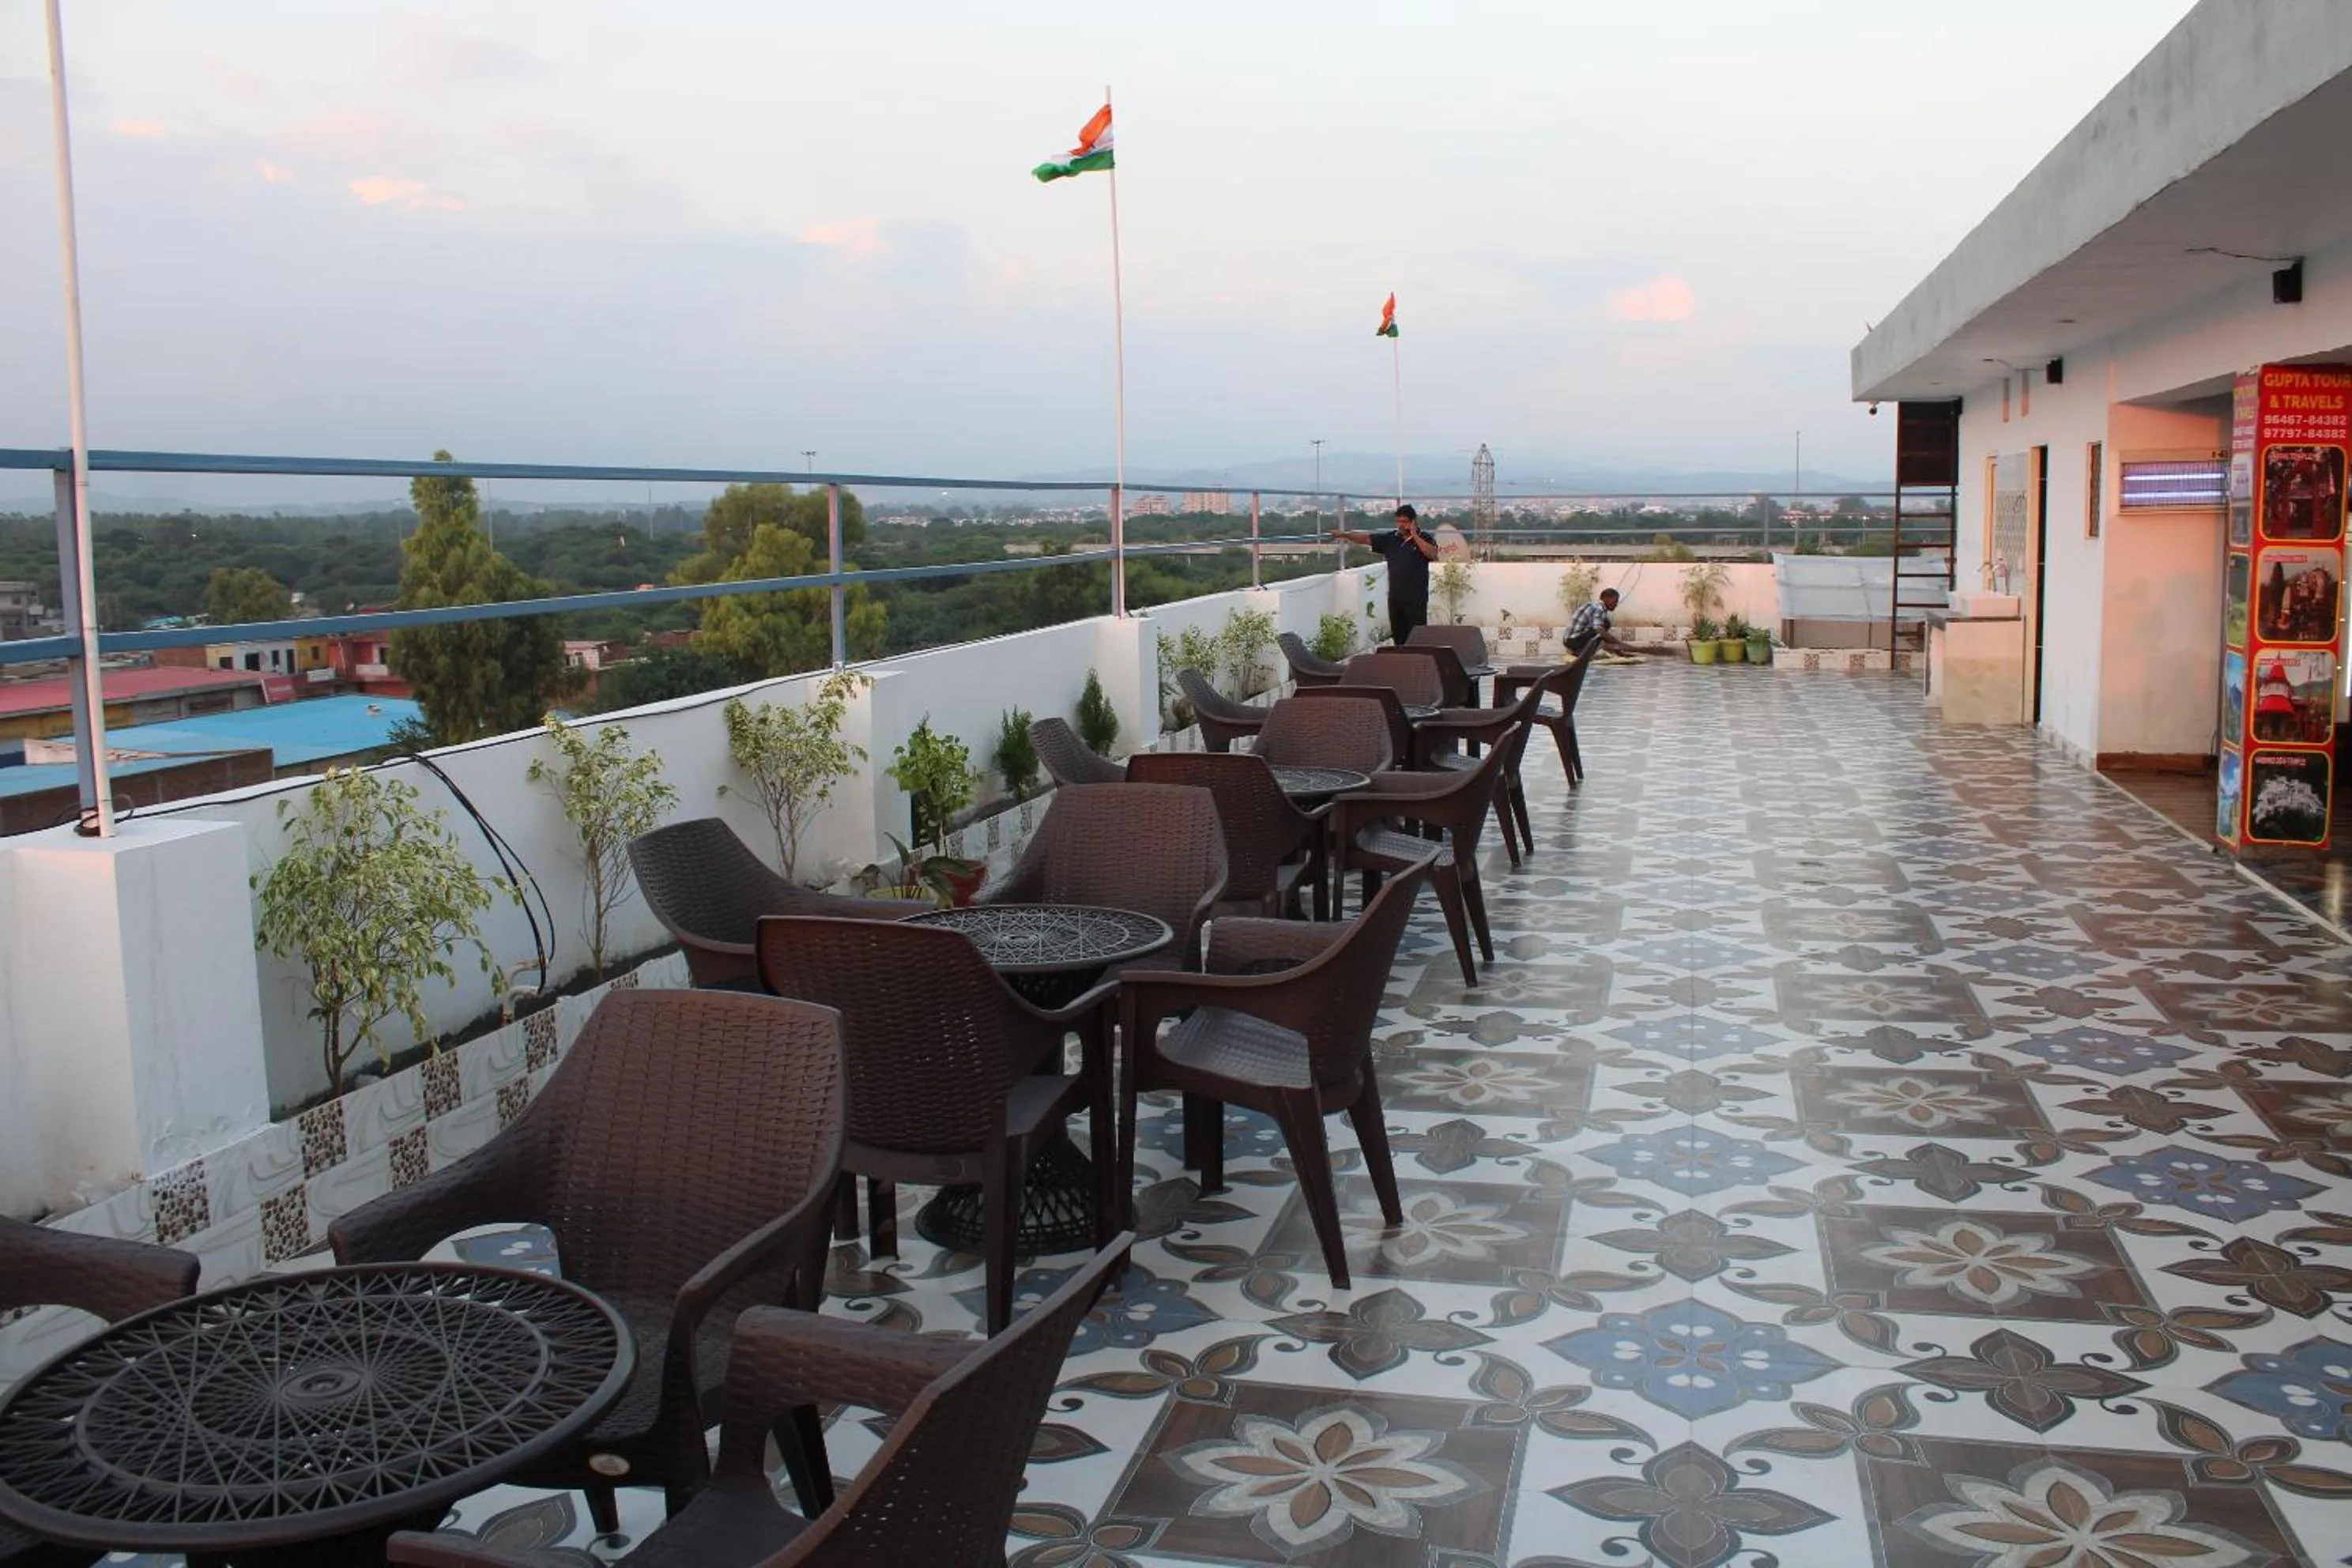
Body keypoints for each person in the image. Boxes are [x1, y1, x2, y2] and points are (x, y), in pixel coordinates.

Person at [1329, 504, 1438, 643]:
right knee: (1399, 637)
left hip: (1416, 599)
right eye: (1398, 521)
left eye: (1404, 522)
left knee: (1418, 637)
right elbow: (1366, 539)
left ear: (1413, 522)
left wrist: (1414, 535)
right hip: (1395, 598)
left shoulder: (1425, 538)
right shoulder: (1390, 539)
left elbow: (1432, 554)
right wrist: (1344, 535)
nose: (1400, 525)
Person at [1564, 586, 1646, 657]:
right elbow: (1599, 631)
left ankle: (1585, 650)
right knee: (1601, 628)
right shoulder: (1598, 608)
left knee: (1606, 623)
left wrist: (1620, 653)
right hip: (1573, 641)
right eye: (1615, 601)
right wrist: (1620, 644)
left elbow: (1601, 633)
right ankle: (1580, 650)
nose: (1616, 604)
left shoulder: (1596, 607)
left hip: (1571, 640)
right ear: (1606, 599)